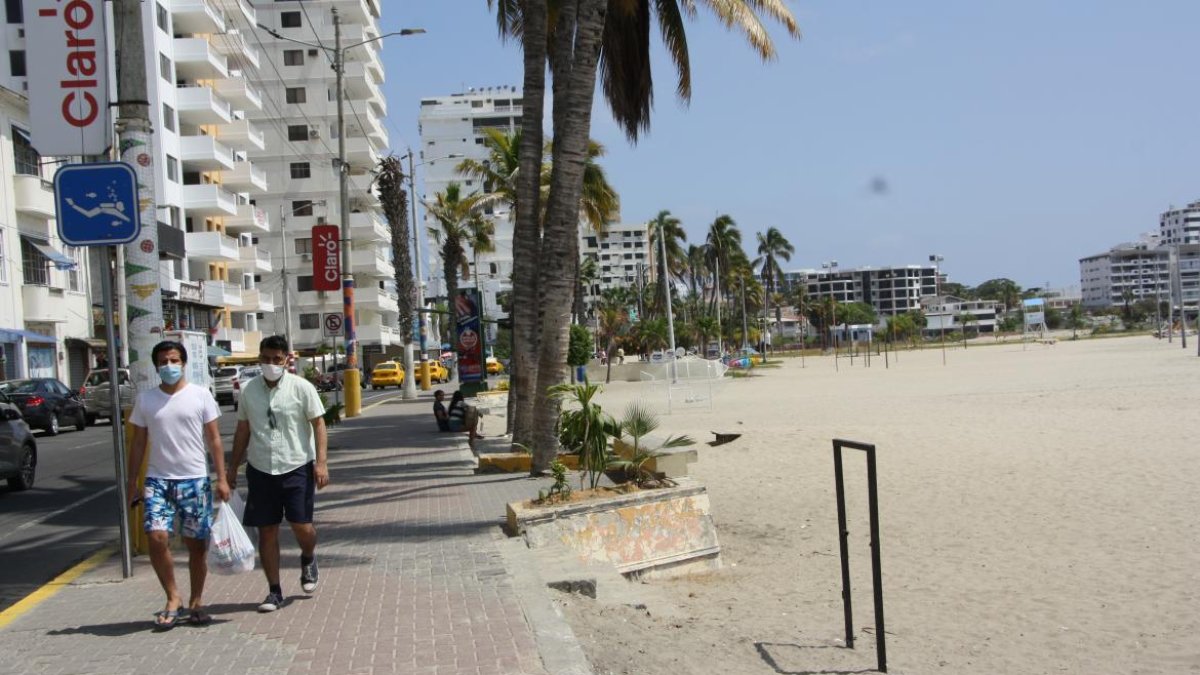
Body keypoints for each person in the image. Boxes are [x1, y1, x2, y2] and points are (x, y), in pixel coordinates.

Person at [127, 340, 228, 629]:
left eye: (173, 360)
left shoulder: (201, 396)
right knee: (156, 538)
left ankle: (196, 601)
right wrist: (132, 482)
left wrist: (221, 478)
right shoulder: (146, 400)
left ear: (183, 363)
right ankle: (173, 597)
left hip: (195, 480)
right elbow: (138, 444)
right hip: (158, 481)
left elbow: (215, 439)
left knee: (197, 546)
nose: (168, 366)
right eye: (162, 361)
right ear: (156, 365)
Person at [227, 335, 329, 613]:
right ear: (259, 358)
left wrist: (321, 463)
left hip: (296, 466)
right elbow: (242, 430)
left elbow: (318, 424)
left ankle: (308, 556)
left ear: (286, 360)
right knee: (267, 531)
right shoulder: (249, 391)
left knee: (302, 526)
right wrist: (231, 468)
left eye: (276, 359)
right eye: (265, 358)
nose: (270, 364)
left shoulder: (301, 388)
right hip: (260, 469)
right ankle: (274, 591)